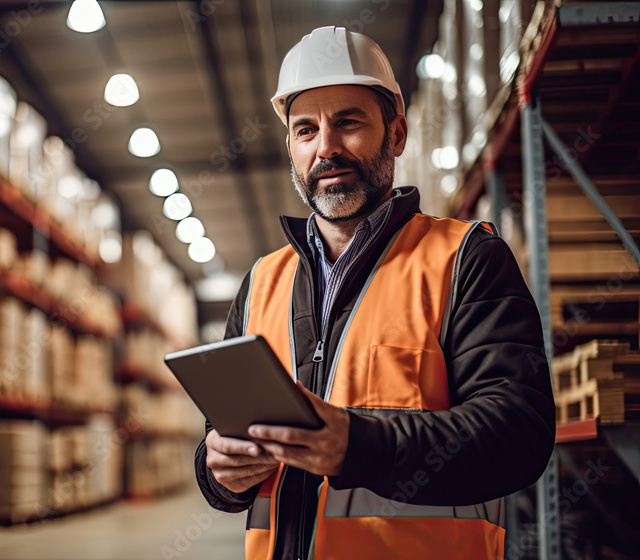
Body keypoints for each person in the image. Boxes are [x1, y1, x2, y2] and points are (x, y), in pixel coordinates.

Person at [193, 26, 555, 560]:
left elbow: (517, 433)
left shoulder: (466, 259)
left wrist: (358, 444)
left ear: (398, 134)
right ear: (291, 146)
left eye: (348, 123)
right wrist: (218, 471)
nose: (326, 147)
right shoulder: (260, 284)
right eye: (305, 130)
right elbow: (221, 441)